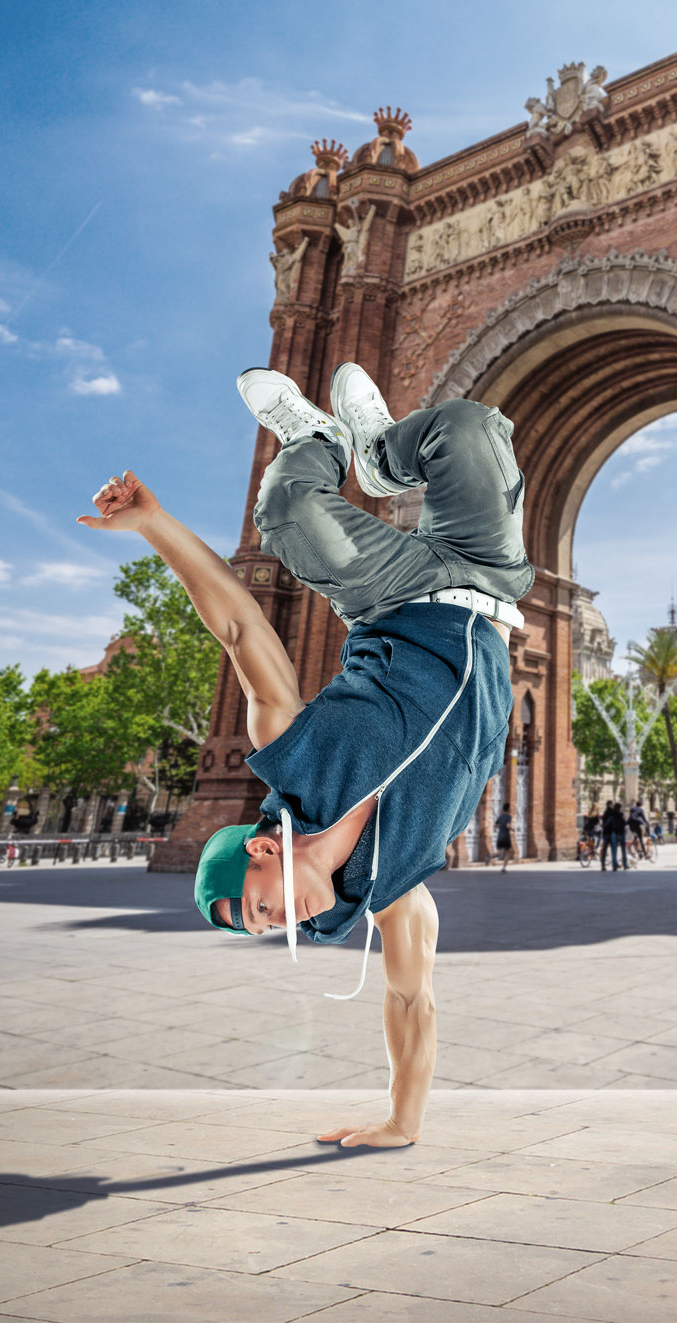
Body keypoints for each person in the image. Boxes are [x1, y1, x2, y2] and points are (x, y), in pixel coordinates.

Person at [78, 363, 529, 1149]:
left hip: (397, 595)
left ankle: (338, 445)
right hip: (487, 583)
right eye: (262, 929)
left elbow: (241, 628)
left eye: (258, 907)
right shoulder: (391, 891)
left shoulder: (291, 754)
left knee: (287, 509)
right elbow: (411, 1005)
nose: (275, 924)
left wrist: (153, 523)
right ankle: (393, 455)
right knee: (467, 427)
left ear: (260, 849)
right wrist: (401, 1121)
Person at [601, 800, 627, 872]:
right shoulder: (619, 814)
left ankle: (608, 866)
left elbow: (605, 824)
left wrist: (603, 827)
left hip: (610, 833)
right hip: (616, 833)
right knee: (621, 850)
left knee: (608, 850)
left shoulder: (606, 813)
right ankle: (624, 865)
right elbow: (624, 823)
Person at [493, 804, 514, 873]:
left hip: (500, 836)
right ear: (508, 809)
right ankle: (504, 868)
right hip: (506, 836)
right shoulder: (508, 817)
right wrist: (513, 829)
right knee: (508, 852)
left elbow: (495, 825)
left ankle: (490, 856)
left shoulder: (500, 817)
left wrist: (499, 828)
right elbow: (508, 826)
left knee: (499, 853)